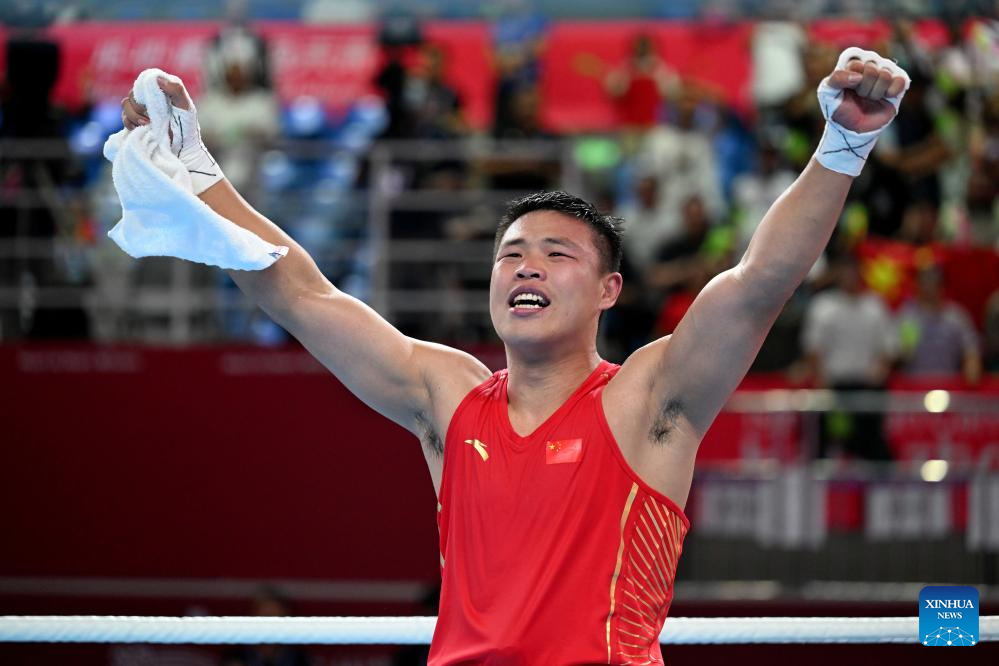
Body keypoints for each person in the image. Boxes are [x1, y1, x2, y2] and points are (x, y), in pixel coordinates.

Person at [120, 49, 908, 664]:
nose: (526, 267)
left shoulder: (646, 400)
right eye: (511, 254)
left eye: (555, 254)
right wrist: (196, 168)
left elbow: (758, 282)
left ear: (608, 290)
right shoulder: (446, 395)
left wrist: (843, 146)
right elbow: (301, 294)